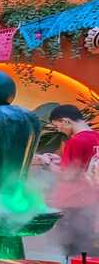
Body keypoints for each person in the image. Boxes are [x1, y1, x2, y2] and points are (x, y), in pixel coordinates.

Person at [36, 105, 99, 253]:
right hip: (91, 205)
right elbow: (84, 167)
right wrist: (59, 160)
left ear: (66, 121)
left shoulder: (76, 141)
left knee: (72, 249)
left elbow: (67, 176)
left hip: (73, 204)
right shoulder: (96, 137)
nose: (59, 130)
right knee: (88, 247)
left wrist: (46, 163)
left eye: (57, 126)